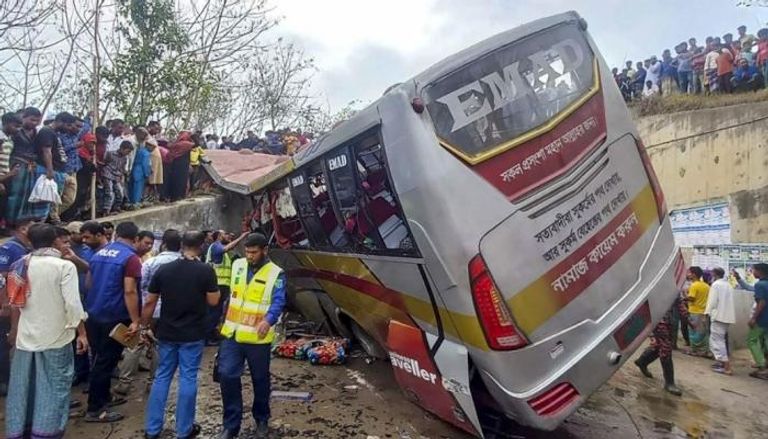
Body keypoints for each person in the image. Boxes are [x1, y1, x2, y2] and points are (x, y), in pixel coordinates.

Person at [4, 223, 89, 439]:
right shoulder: (63, 267)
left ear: (30, 241)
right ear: (54, 241)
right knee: (53, 389)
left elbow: (15, 303)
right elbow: (73, 305)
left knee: (25, 388)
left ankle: (20, 430)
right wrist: (82, 333)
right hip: (56, 337)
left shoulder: (19, 265)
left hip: (26, 338)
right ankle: (46, 433)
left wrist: (14, 330)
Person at [141, 231, 219, 439]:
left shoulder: (164, 269)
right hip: (192, 334)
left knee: (162, 377)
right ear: (201, 246)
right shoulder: (205, 270)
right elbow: (213, 301)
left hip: (167, 332)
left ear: (182, 245)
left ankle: (152, 429)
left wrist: (143, 327)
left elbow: (150, 301)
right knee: (188, 377)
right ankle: (184, 430)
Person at [217, 233, 286, 439]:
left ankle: (262, 419)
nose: (249, 256)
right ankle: (231, 425)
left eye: (254, 252)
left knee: (260, 380)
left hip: (257, 338)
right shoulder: (238, 265)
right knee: (227, 375)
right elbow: (231, 295)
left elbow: (278, 301)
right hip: (232, 334)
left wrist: (268, 320)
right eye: (247, 252)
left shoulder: (276, 273)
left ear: (265, 250)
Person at [85, 221, 143, 423]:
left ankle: (104, 397)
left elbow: (89, 283)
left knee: (99, 358)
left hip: (94, 313)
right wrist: (135, 320)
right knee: (106, 362)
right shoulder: (131, 258)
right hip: (115, 316)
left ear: (116, 234)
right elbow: (130, 291)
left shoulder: (98, 254)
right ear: (136, 238)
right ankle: (96, 409)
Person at [7, 107, 65, 226]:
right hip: (16, 165)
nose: (34, 123)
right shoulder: (16, 132)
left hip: (30, 167)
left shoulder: (36, 132)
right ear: (24, 117)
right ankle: (9, 222)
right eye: (32, 120)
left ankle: (21, 223)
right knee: (14, 194)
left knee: (26, 195)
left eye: (37, 121)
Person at [0, 219, 33, 396]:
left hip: (18, 300)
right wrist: (5, 301)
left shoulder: (24, 248)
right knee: (4, 343)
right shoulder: (10, 248)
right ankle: (4, 381)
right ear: (23, 229)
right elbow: (2, 275)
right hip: (9, 301)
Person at [634, 297, 687, 396]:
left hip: (669, 321)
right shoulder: (655, 288)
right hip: (658, 321)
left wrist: (687, 318)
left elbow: (679, 302)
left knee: (660, 346)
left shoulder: (674, 289)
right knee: (666, 348)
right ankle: (669, 383)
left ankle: (642, 361)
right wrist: (651, 334)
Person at [206, 230, 248, 345]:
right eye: (225, 234)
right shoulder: (216, 246)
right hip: (217, 284)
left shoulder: (220, 249)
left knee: (217, 311)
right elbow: (228, 248)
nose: (228, 235)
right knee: (214, 312)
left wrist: (231, 239)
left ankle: (212, 334)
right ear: (219, 236)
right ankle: (209, 337)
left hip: (221, 284)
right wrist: (241, 237)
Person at [51, 112, 89, 224]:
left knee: (70, 199)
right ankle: (54, 218)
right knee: (57, 196)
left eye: (80, 127)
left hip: (74, 170)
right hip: (62, 170)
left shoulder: (76, 136)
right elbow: (58, 151)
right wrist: (74, 146)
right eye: (76, 126)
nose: (79, 129)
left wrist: (88, 116)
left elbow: (86, 127)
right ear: (70, 125)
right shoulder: (60, 136)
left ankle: (53, 215)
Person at [704, 267, 736, 375]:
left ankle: (726, 367)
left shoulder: (716, 285)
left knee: (717, 341)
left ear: (715, 274)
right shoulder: (728, 285)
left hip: (718, 316)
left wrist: (706, 314)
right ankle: (721, 363)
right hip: (726, 317)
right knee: (719, 340)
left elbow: (712, 302)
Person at [744, 263, 768, 379]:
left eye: (753, 270)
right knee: (765, 342)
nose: (752, 272)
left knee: (751, 340)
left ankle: (762, 366)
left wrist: (754, 318)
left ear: (759, 271)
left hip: (762, 319)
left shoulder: (760, 284)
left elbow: (761, 303)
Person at [99, 141, 133, 216]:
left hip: (117, 176)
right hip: (107, 175)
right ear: (122, 148)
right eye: (127, 151)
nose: (128, 153)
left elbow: (122, 168)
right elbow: (104, 164)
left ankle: (116, 207)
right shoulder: (110, 154)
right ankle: (106, 210)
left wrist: (123, 174)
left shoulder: (124, 158)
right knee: (109, 193)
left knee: (120, 193)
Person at [685, 266, 710, 357]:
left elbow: (692, 298)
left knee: (694, 332)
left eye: (689, 273)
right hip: (704, 311)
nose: (688, 274)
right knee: (702, 332)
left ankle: (695, 350)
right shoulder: (706, 286)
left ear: (694, 274)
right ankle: (704, 350)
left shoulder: (694, 285)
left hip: (695, 311)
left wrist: (684, 296)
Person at [166, 132, 194, 202]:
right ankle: (180, 196)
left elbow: (170, 154)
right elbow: (196, 145)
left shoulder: (175, 144)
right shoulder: (187, 144)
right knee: (182, 181)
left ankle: (172, 197)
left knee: (174, 180)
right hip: (183, 166)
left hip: (174, 165)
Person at [128, 128, 152, 208]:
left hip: (133, 168)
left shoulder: (141, 147)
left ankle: (131, 201)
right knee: (138, 187)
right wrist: (147, 174)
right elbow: (145, 164)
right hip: (139, 171)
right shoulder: (145, 153)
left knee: (131, 186)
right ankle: (136, 202)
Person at [146, 137, 163, 203]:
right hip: (152, 169)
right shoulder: (152, 151)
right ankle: (153, 198)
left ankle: (153, 198)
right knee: (152, 183)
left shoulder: (153, 152)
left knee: (152, 183)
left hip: (153, 169)